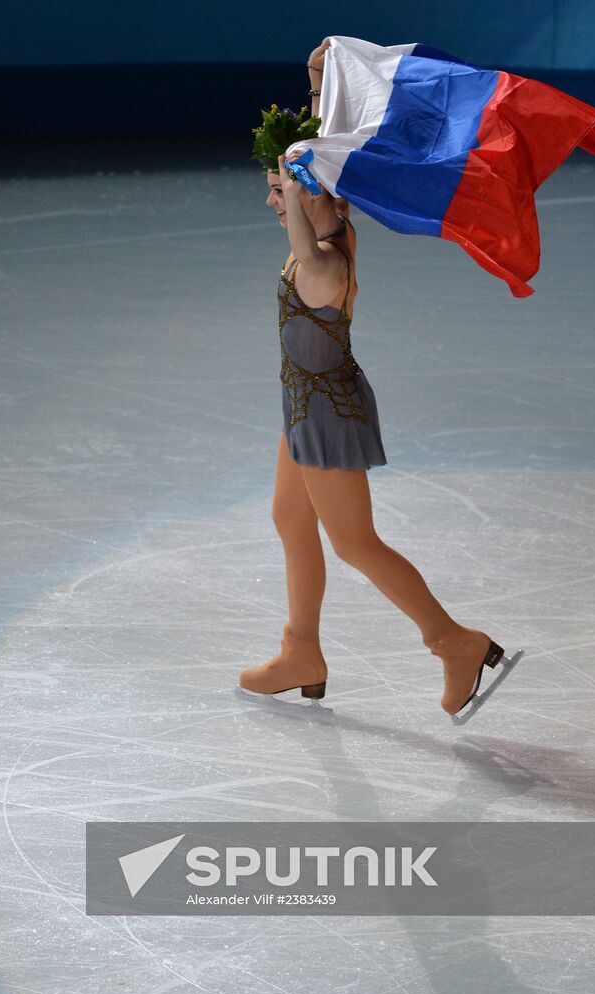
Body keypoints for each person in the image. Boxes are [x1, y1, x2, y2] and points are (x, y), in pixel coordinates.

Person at [238, 40, 506, 717]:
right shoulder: (339, 234)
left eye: (278, 192)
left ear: (309, 197)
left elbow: (304, 234)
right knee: (289, 519)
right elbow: (325, 178)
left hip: (325, 413)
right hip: (305, 404)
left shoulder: (321, 263)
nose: (271, 201)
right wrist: (322, 79)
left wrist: (296, 176)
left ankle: (454, 641)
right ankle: (302, 647)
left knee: (355, 543)